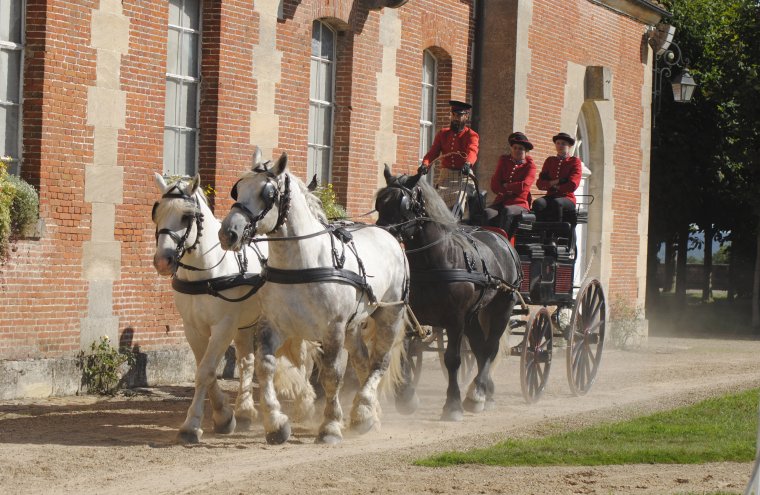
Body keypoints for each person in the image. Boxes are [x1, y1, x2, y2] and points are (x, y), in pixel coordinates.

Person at [418, 100, 479, 217]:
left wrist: (468, 163)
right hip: (445, 177)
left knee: (459, 199)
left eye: (459, 115)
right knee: (432, 203)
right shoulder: (442, 133)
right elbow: (433, 152)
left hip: (463, 177)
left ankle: (454, 227)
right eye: (454, 115)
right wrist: (425, 164)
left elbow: (473, 150)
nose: (456, 118)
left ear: (466, 116)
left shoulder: (471, 135)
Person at [488, 132, 536, 236]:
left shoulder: (530, 166)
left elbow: (524, 186)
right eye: (515, 148)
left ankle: (504, 243)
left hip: (519, 203)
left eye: (520, 148)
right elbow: (495, 184)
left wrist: (506, 186)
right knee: (487, 212)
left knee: (507, 211)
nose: (517, 151)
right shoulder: (504, 161)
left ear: (526, 151)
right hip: (501, 201)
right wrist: (511, 188)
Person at [533, 132, 582, 222]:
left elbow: (572, 185)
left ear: (569, 146)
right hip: (551, 196)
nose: (560, 146)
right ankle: (540, 230)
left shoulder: (574, 161)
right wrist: (555, 182)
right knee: (538, 203)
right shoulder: (550, 161)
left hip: (567, 198)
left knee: (557, 203)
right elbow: (540, 184)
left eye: (563, 143)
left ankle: (557, 230)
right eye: (558, 143)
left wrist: (554, 186)